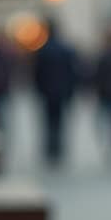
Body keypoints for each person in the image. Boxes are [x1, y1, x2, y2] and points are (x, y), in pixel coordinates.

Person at [32, 18, 79, 166]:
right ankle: (58, 148)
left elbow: (37, 74)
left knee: (48, 122)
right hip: (62, 91)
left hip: (47, 92)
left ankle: (51, 148)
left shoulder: (42, 51)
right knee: (60, 121)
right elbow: (73, 73)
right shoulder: (66, 50)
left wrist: (38, 89)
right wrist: (71, 90)